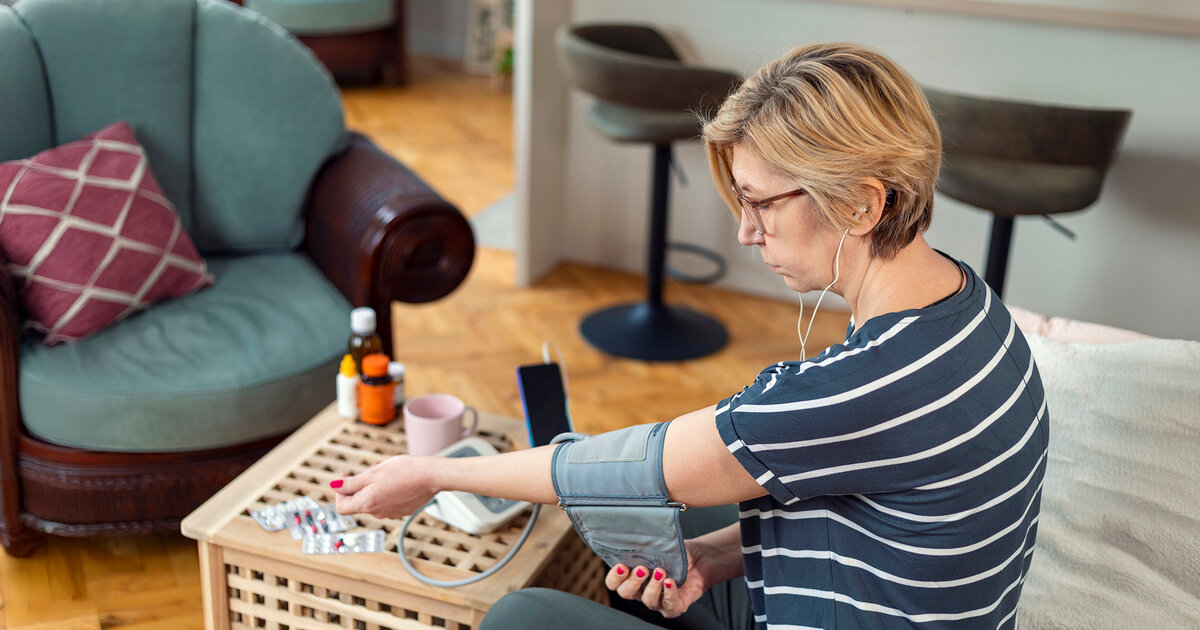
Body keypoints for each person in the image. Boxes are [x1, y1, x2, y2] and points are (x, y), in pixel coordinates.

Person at [332, 42, 1048, 629]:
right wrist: (713, 558)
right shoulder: (968, 305)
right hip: (880, 594)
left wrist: (435, 474)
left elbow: (635, 467)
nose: (746, 232)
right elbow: (855, 490)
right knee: (668, 539)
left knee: (523, 617)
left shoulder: (868, 384)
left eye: (761, 204)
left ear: (862, 204)